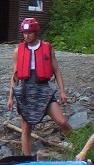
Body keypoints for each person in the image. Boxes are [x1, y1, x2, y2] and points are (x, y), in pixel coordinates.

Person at [7, 17, 72, 156]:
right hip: (26, 90)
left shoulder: (48, 48)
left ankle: (80, 147)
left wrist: (62, 91)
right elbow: (15, 76)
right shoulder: (18, 51)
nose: (26, 36)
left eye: (29, 33)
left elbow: (56, 70)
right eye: (24, 33)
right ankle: (27, 159)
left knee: (62, 121)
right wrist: (11, 98)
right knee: (26, 127)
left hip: (44, 89)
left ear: (36, 32)